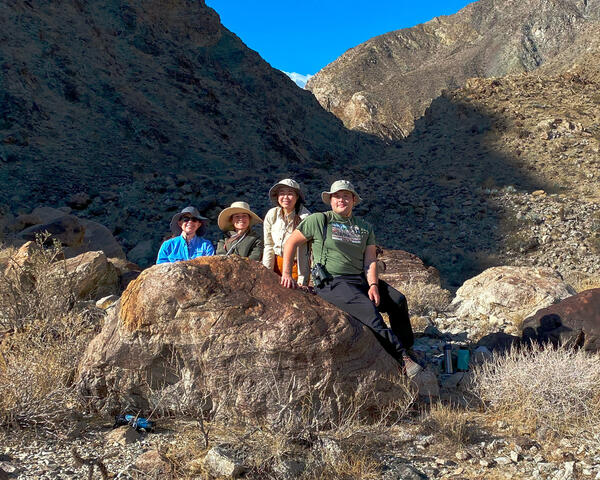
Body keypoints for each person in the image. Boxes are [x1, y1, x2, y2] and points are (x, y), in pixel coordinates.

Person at [280, 180, 421, 377]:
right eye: (337, 196)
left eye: (346, 196)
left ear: (354, 200)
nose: (341, 200)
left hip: (360, 279)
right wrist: (287, 273)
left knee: (398, 301)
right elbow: (290, 243)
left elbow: (370, 260)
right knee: (370, 313)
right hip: (332, 282)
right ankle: (401, 358)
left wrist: (373, 285)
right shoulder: (320, 220)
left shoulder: (364, 228)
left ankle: (408, 346)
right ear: (330, 200)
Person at [263, 179, 311, 285]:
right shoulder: (272, 214)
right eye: (282, 193)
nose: (285, 197)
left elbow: (306, 251)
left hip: (295, 268)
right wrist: (266, 272)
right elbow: (269, 245)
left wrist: (302, 280)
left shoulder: (305, 218)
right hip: (275, 263)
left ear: (297, 197)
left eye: (290, 194)